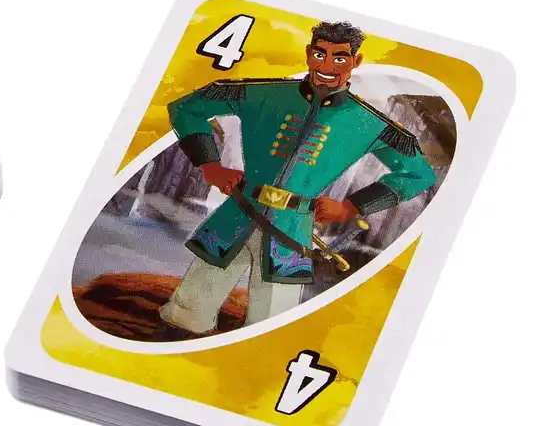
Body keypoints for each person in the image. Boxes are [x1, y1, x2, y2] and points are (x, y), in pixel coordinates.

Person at [158, 20, 437, 335]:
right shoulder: (262, 93)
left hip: (290, 232)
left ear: (356, 61)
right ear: (308, 53)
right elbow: (186, 108)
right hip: (236, 214)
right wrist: (210, 165)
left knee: (268, 327)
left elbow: (418, 174)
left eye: (340, 58)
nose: (327, 66)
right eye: (319, 54)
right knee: (185, 314)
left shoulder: (369, 123)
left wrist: (351, 207)